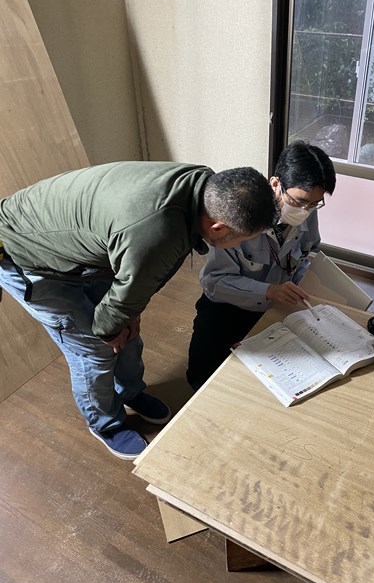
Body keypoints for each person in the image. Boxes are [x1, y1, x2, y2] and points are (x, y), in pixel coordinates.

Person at [0, 161, 277, 460]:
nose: (239, 246)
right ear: (218, 227)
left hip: (85, 248)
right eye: (241, 239)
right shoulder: (158, 232)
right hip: (23, 254)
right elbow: (126, 295)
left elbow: (134, 284)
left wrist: (127, 318)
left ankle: (130, 393)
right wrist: (111, 330)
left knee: (129, 334)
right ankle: (105, 423)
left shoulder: (200, 186)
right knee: (94, 350)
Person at [186, 140, 336, 391]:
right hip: (226, 308)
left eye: (314, 204)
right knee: (203, 376)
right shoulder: (242, 212)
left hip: (275, 305)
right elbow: (214, 282)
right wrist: (268, 291)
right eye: (299, 201)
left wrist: (304, 281)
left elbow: (310, 250)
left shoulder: (308, 210)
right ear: (276, 184)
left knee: (262, 378)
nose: (305, 210)